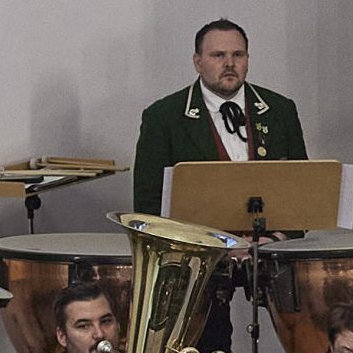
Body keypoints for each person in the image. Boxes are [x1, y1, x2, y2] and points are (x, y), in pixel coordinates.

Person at [130, 15, 306, 218]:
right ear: (198, 62)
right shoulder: (163, 117)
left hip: (272, 246)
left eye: (238, 55)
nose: (230, 63)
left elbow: (301, 191)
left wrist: (278, 237)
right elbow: (148, 204)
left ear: (247, 59)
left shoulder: (280, 110)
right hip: (195, 247)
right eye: (218, 55)